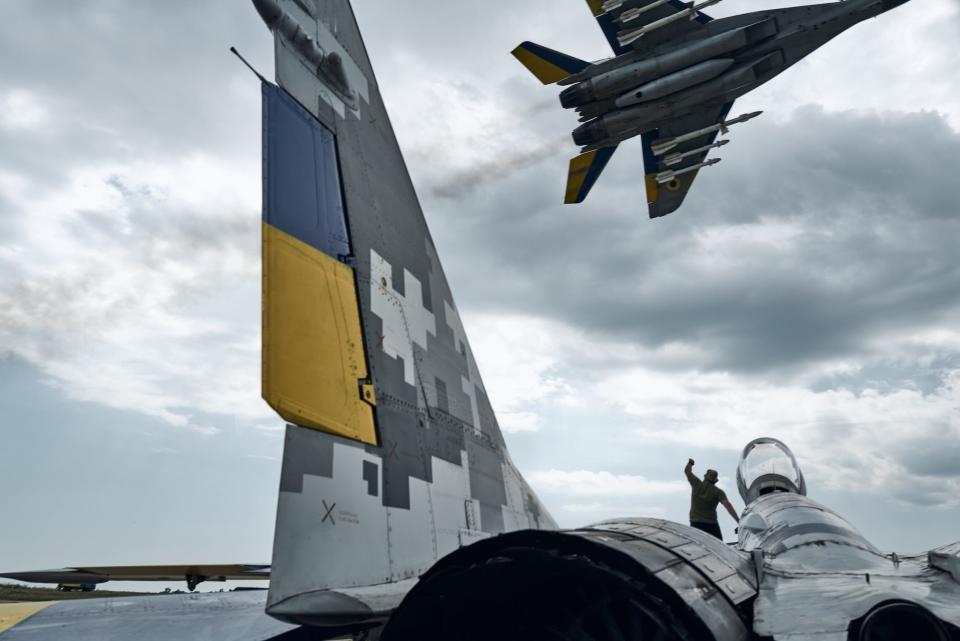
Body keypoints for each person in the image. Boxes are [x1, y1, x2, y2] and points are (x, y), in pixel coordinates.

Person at [684, 458, 739, 540]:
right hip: (711, 524)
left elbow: (687, 471)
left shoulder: (696, 483)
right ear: (715, 481)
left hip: (695, 522)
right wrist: (738, 521)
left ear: (705, 476)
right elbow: (727, 505)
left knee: (698, 546)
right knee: (719, 546)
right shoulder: (718, 492)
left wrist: (690, 463)